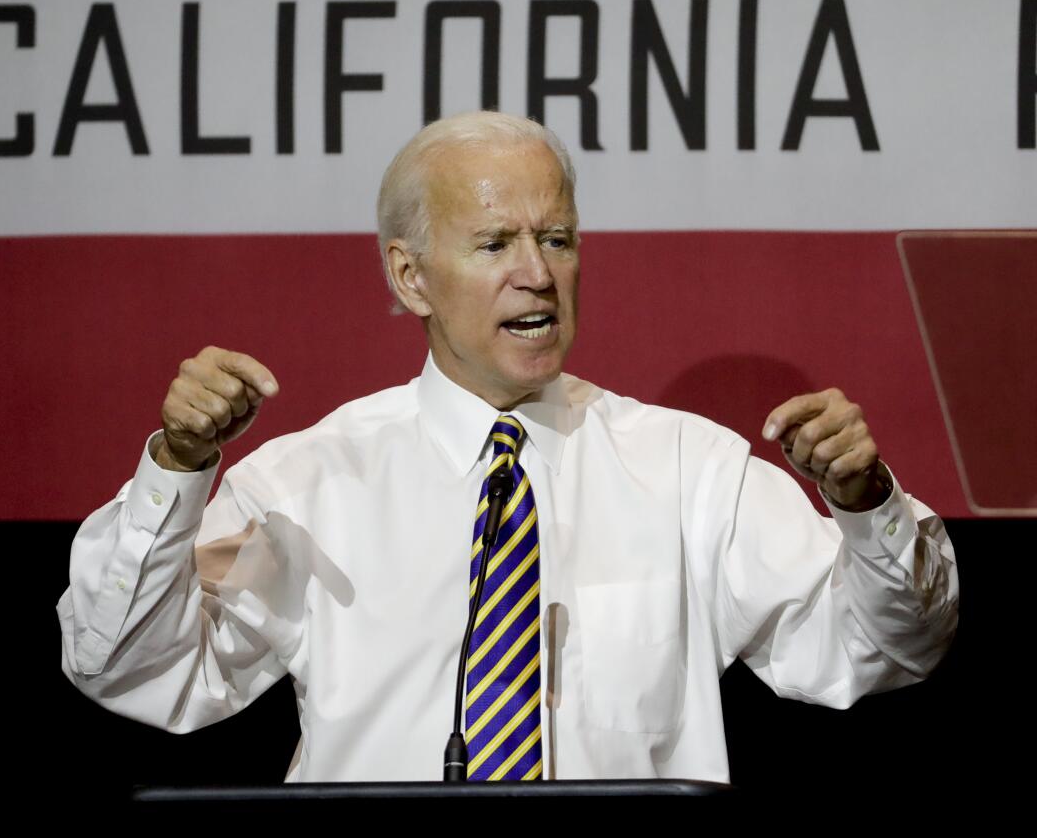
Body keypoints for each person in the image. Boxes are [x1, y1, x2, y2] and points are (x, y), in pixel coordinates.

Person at [58, 111, 958, 783]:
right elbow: (132, 669)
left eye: (556, 238)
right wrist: (176, 469)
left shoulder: (689, 471)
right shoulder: (312, 482)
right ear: (410, 276)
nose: (537, 272)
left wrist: (866, 502)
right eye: (495, 242)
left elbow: (882, 650)